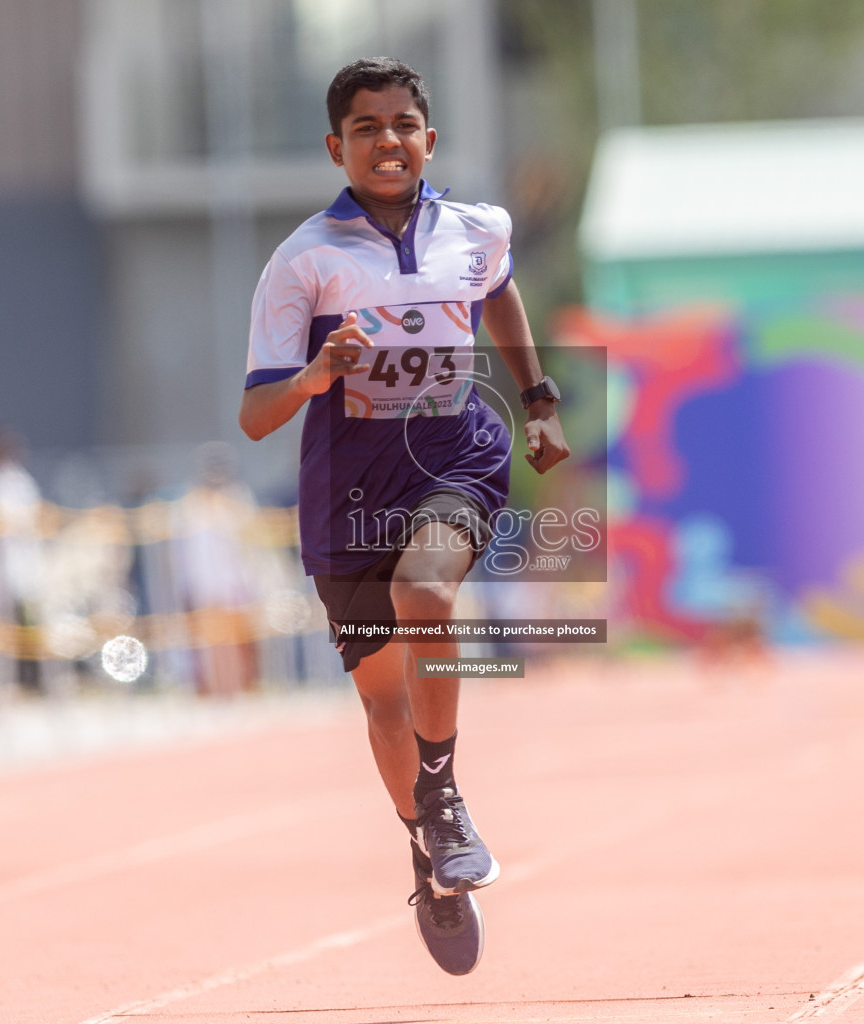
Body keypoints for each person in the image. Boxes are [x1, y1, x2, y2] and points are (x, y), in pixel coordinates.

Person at [239, 57, 569, 975]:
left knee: (428, 591)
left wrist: (536, 395)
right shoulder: (303, 261)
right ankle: (426, 846)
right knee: (384, 701)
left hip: (455, 453)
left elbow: (494, 285)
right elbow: (256, 412)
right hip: (349, 485)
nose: (389, 141)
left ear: (429, 137)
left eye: (403, 124)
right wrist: (317, 374)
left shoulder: (477, 228)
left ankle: (444, 791)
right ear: (336, 146)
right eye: (368, 128)